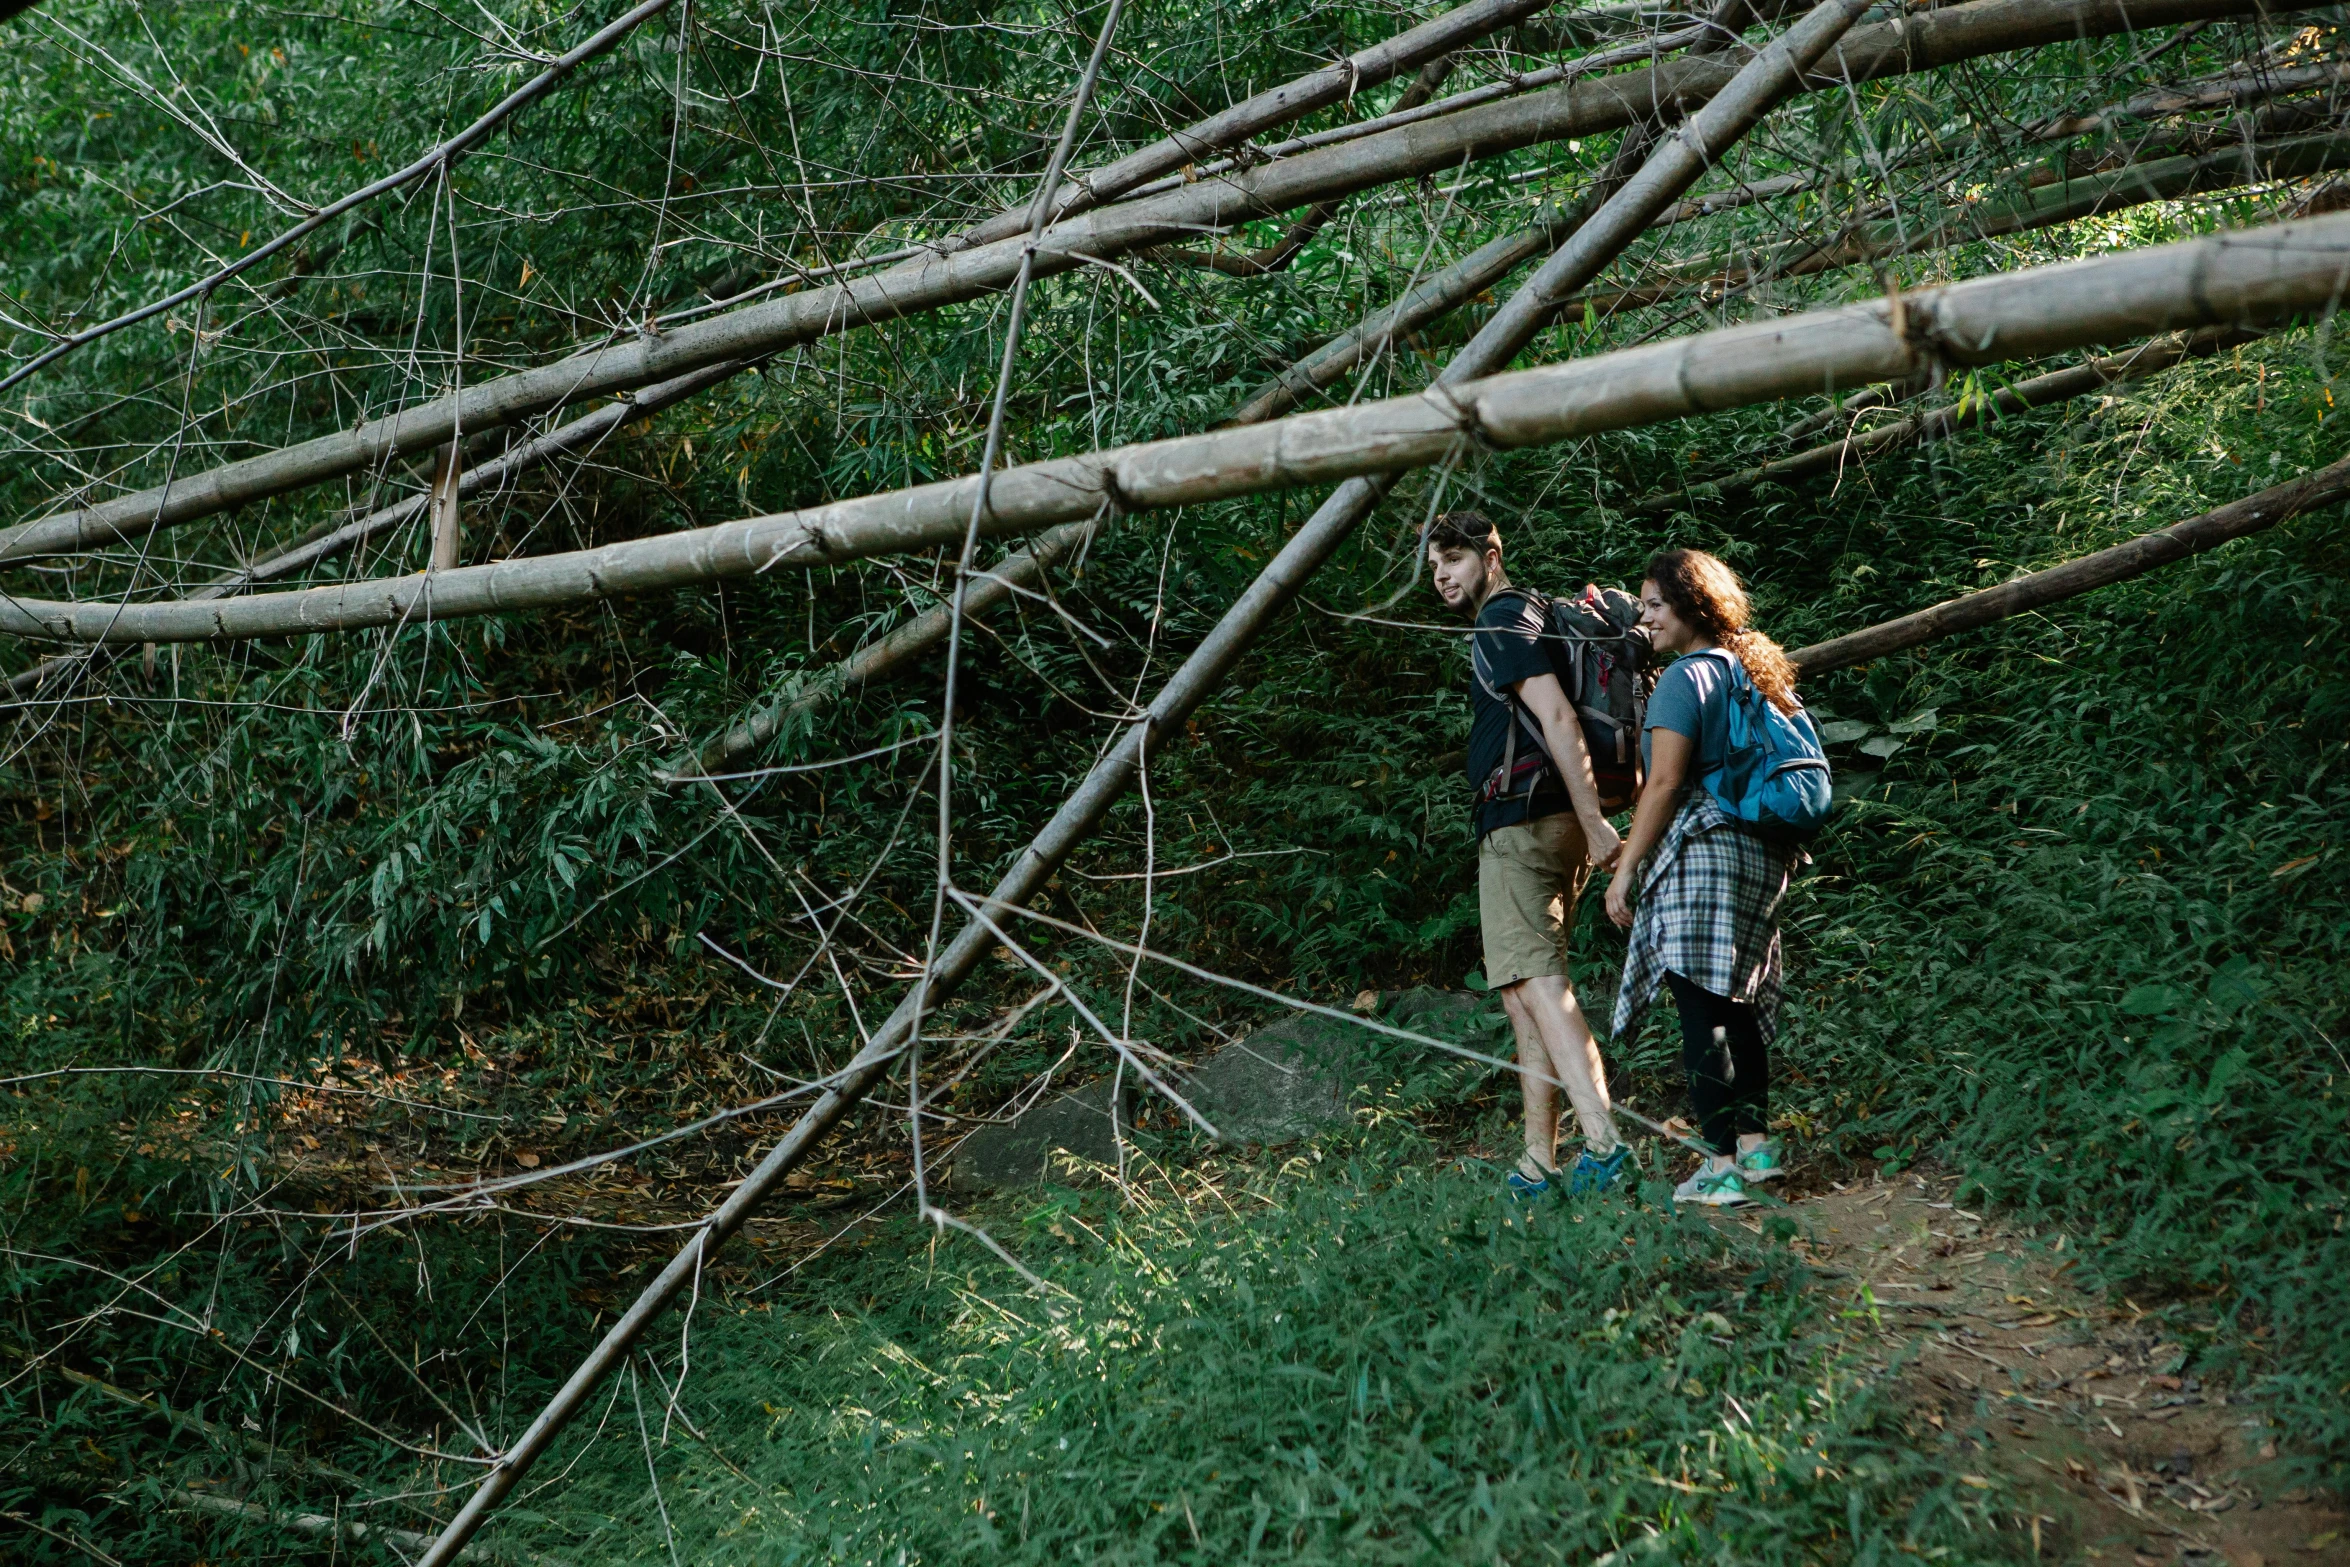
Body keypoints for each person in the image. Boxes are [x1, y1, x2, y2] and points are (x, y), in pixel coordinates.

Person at [1425, 511, 1630, 1201]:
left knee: (1538, 980)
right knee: (1521, 989)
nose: (1442, 575)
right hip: (1546, 818)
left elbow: (1559, 716)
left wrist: (1597, 821)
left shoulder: (1502, 619)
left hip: (1526, 818)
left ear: (1491, 553)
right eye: (1433, 566)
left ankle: (1605, 1143)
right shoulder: (1532, 613)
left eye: (1452, 558)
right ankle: (1538, 1162)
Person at [1604, 548, 1801, 1207]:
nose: (1645, 618)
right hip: (1762, 856)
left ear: (1691, 608)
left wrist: (1625, 869)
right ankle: (1757, 1152)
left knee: (1701, 1009)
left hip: (1705, 852)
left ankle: (1718, 1168)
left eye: (1655, 605)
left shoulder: (1685, 678)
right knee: (1736, 1001)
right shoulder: (1755, 671)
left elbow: (1662, 783)